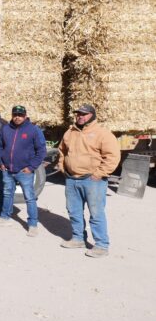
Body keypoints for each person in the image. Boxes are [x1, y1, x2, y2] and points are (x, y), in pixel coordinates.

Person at [57, 104, 121, 258]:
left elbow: (112, 157)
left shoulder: (102, 133)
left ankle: (101, 245)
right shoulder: (70, 132)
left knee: (96, 213)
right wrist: (62, 166)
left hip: (93, 180)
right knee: (74, 211)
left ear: (92, 115)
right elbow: (62, 151)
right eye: (78, 113)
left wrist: (99, 174)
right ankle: (78, 238)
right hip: (72, 179)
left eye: (84, 114)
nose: (80, 116)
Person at [0, 105, 47, 236]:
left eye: (20, 115)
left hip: (24, 171)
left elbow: (41, 151)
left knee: (30, 198)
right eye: (15, 114)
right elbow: (0, 146)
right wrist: (0, 162)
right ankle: (5, 217)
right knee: (7, 194)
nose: (17, 117)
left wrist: (31, 167)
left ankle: (32, 224)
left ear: (25, 115)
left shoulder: (33, 130)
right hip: (7, 170)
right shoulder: (6, 129)